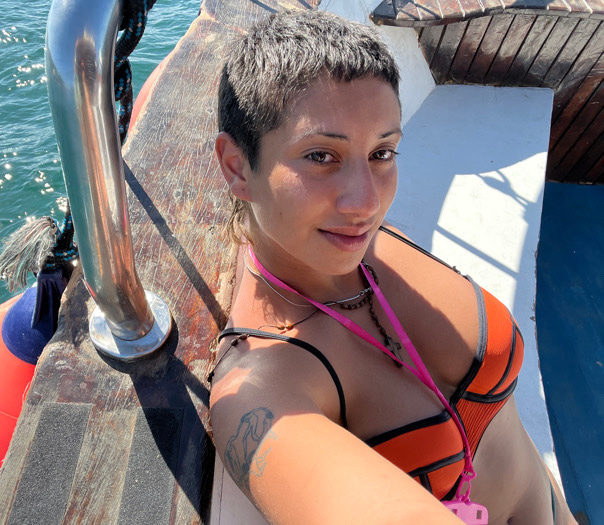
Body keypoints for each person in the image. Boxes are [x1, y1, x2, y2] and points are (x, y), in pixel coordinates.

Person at [209, 9, 575, 524]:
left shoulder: (365, 241)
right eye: (321, 156)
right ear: (237, 166)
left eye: (382, 152)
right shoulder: (261, 391)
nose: (367, 203)